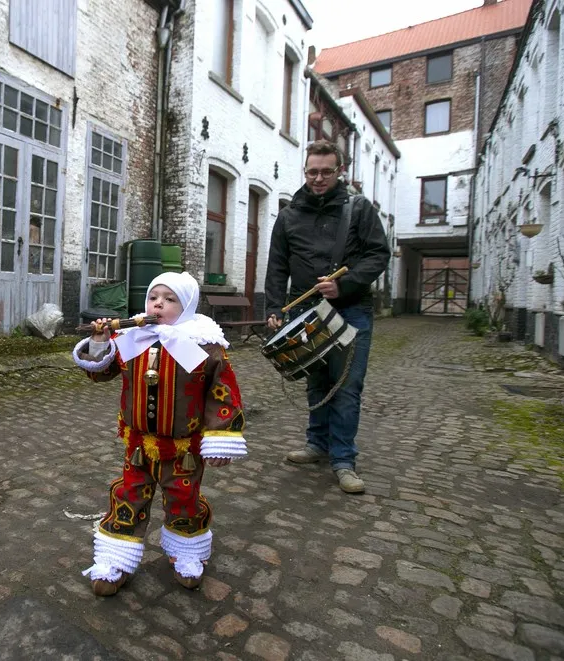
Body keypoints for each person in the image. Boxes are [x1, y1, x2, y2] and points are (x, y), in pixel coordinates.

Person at [72, 271, 247, 597]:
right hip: (138, 445)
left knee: (184, 499)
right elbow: (100, 374)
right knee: (128, 496)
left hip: (184, 450)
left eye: (170, 299)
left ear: (188, 305)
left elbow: (223, 392)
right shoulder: (132, 338)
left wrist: (223, 436)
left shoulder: (204, 346)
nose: (159, 304)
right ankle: (114, 559)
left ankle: (187, 554)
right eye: (154, 297)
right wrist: (99, 341)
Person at [264, 140, 391, 494]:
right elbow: (277, 266)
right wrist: (274, 308)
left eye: (326, 171)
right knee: (316, 381)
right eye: (312, 171)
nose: (318, 178)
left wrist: (345, 285)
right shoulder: (289, 214)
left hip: (352, 309)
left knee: (347, 386)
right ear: (305, 171)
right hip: (304, 310)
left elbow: (378, 254)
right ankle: (317, 444)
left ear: (340, 171)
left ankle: (344, 459)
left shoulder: (359, 209)